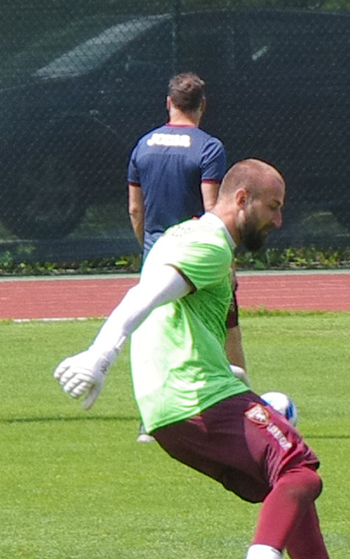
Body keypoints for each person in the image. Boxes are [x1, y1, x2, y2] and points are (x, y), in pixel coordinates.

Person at [55, 159, 350, 559]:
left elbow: (175, 317)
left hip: (168, 413)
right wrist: (102, 353)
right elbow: (146, 296)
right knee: (300, 470)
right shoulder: (209, 245)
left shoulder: (182, 234)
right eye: (273, 207)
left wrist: (228, 370)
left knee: (286, 491)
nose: (279, 220)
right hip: (197, 396)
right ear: (242, 199)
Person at [127, 73, 246, 443]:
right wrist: (227, 261)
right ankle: (242, 409)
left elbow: (135, 209)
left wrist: (149, 249)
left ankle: (150, 420)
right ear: (203, 106)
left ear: (169, 102)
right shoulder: (209, 147)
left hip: (156, 254)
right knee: (226, 327)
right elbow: (213, 208)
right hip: (198, 254)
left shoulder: (143, 145)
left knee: (157, 333)